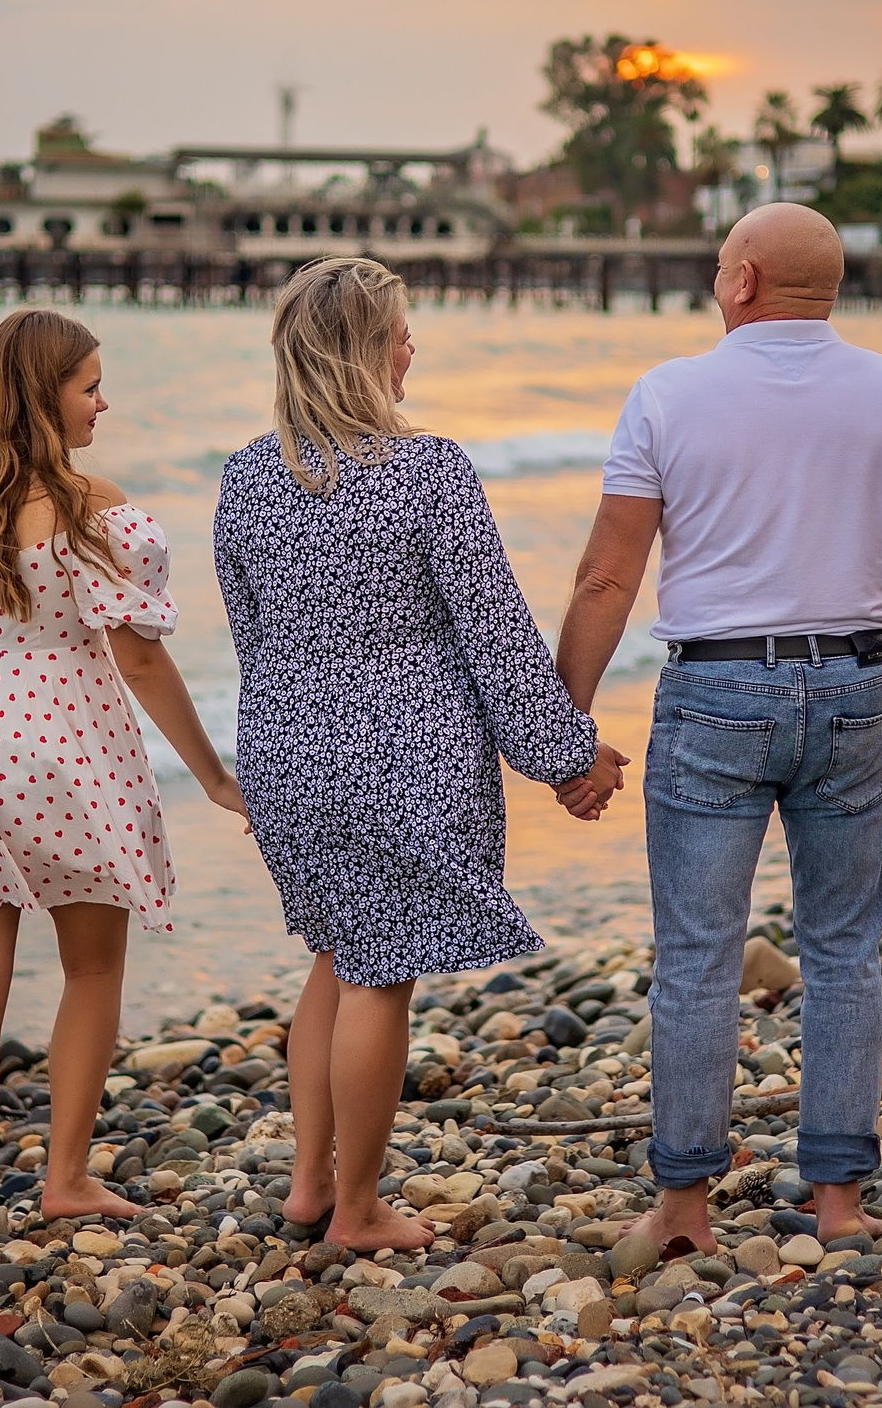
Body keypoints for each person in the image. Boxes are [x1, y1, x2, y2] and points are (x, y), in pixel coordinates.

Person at [553, 203, 882, 1255]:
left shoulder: (667, 394)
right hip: (854, 690)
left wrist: (561, 728)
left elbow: (607, 574)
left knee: (696, 956)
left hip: (715, 696)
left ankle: (683, 1206)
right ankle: (838, 1201)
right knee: (841, 950)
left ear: (740, 280)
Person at [215, 257, 627, 1254]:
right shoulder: (426, 467)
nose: (412, 348)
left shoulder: (244, 472)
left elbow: (249, 625)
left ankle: (311, 1185)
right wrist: (568, 754)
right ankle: (356, 1208)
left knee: (336, 949)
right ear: (362, 350)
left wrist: (284, 732)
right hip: (398, 752)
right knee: (378, 969)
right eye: (399, 332)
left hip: (282, 742)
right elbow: (492, 630)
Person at [0, 309, 245, 1245]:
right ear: (44, 394)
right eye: (89, 385)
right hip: (67, 741)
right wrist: (213, 775)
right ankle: (64, 1178)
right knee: (94, 965)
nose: (103, 402)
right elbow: (141, 662)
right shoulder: (89, 507)